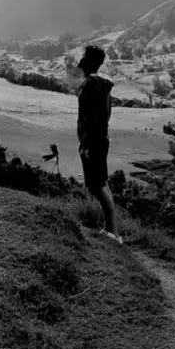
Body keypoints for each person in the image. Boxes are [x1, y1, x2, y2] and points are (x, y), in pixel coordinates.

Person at [77, 44, 122, 244]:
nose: (80, 61)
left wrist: (85, 143)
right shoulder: (102, 86)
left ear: (90, 61)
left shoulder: (89, 85)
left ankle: (114, 233)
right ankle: (111, 229)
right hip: (100, 139)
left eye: (84, 57)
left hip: (93, 141)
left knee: (98, 185)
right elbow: (104, 116)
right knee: (100, 183)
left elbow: (89, 118)